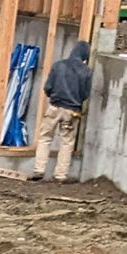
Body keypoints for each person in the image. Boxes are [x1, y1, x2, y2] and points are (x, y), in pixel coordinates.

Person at [32, 38, 92, 182]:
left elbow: (48, 87)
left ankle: (38, 170)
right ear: (85, 56)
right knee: (66, 142)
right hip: (72, 112)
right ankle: (60, 175)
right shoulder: (86, 71)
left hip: (54, 107)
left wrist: (53, 96)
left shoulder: (58, 65)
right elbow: (86, 94)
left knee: (45, 138)